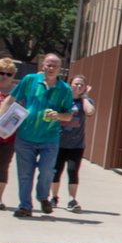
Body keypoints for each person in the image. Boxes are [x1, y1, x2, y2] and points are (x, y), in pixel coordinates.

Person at [9, 53, 76, 218]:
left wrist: (58, 115)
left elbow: (68, 115)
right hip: (25, 136)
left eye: (55, 66)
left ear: (60, 69)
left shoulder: (65, 89)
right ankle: (25, 206)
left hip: (49, 139)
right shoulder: (30, 80)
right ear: (43, 65)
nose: (51, 68)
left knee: (47, 171)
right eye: (49, 64)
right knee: (25, 173)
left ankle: (43, 197)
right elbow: (11, 99)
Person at [50, 75, 97, 211]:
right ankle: (54, 197)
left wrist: (84, 97)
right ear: (70, 85)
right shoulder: (63, 98)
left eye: (81, 85)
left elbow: (90, 112)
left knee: (72, 171)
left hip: (77, 144)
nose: (78, 87)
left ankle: (72, 199)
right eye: (76, 84)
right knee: (56, 171)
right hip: (59, 142)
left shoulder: (85, 101)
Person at [0, 57, 19, 211]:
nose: (4, 76)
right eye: (1, 73)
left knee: (3, 166)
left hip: (8, 136)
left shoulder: (18, 92)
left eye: (9, 74)